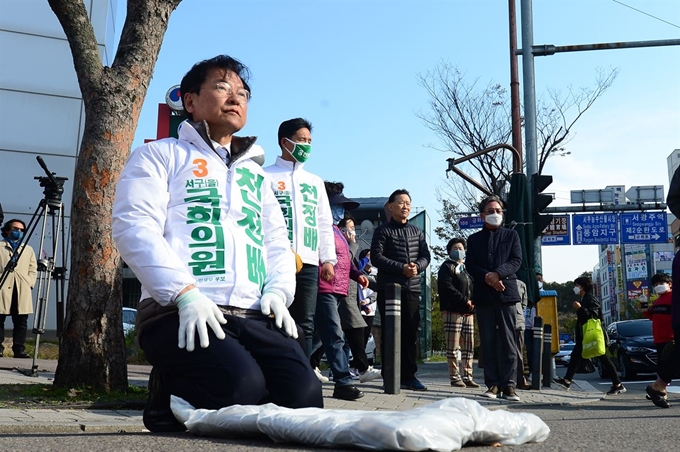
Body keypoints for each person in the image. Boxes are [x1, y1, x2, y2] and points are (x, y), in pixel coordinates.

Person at [112, 55, 322, 433]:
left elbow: (276, 241)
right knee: (240, 387)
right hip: (179, 310)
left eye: (242, 92)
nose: (235, 97)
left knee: (305, 396)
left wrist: (277, 291)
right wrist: (184, 293)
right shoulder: (160, 156)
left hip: (253, 312)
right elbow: (134, 226)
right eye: (223, 87)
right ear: (190, 101)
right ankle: (165, 398)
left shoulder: (256, 177)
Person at [263, 118, 337, 364]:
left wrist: (327, 259)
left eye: (309, 142)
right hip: (273, 259)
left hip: (307, 261)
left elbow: (324, 222)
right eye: (302, 140)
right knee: (271, 316)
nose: (307, 146)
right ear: (285, 142)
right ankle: (271, 371)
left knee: (304, 321)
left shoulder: (314, 182)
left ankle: (301, 373)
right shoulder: (264, 176)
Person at [313, 182, 371, 400]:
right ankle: (343, 382)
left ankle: (288, 365)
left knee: (319, 337)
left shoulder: (336, 230)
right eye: (336, 206)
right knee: (335, 335)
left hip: (339, 289)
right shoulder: (318, 228)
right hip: (323, 287)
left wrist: (358, 275)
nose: (341, 211)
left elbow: (346, 260)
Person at [370, 189, 431, 391]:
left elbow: (426, 256)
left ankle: (409, 376)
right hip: (390, 290)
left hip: (412, 288)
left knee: (410, 333)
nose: (405, 206)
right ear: (391, 206)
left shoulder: (417, 231)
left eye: (408, 203)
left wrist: (417, 267)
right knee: (390, 332)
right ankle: (390, 376)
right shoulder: (383, 231)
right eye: (401, 202)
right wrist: (400, 268)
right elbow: (376, 258)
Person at [465, 195, 522, 401]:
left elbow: (516, 260)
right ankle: (492, 385)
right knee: (488, 341)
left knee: (509, 340)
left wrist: (498, 273)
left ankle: (509, 386)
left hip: (506, 294)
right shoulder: (473, 239)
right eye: (491, 211)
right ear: (482, 215)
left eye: (498, 211)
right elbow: (469, 264)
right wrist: (488, 277)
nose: (495, 214)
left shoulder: (511, 236)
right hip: (484, 295)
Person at [553, 276, 626, 396]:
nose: (575, 288)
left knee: (603, 358)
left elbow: (593, 316)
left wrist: (580, 308)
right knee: (576, 356)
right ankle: (567, 381)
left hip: (592, 334)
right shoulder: (584, 299)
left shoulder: (590, 299)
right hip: (585, 335)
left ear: (582, 286)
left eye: (576, 285)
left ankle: (618, 384)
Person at [437, 237, 478, 388]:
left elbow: (473, 287)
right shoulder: (446, 267)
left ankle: (467, 376)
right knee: (453, 347)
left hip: (469, 312)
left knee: (468, 347)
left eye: (461, 248)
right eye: (455, 248)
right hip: (452, 310)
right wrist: (463, 300)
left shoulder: (467, 270)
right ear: (449, 251)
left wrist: (473, 301)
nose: (458, 250)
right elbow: (446, 287)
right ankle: (455, 377)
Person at [0, 219, 37, 358]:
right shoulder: (0, 246)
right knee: (0, 318)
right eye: (16, 229)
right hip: (3, 287)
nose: (19, 232)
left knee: (21, 321)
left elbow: (33, 269)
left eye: (22, 230)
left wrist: (29, 282)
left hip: (21, 288)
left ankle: (19, 349)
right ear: (7, 230)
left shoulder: (27, 249)